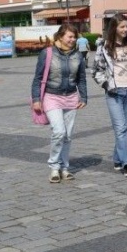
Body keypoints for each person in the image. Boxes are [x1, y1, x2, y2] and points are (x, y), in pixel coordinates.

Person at [31, 23, 87, 183]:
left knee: (68, 136)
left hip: (71, 97)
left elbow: (81, 79)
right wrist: (36, 99)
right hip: (51, 96)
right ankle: (54, 167)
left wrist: (83, 97)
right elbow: (37, 78)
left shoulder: (78, 55)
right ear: (60, 36)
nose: (73, 39)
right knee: (59, 132)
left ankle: (64, 168)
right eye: (70, 36)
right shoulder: (47, 53)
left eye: (74, 37)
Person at [93, 13, 127, 177]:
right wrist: (107, 84)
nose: (125, 29)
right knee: (120, 129)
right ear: (114, 28)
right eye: (122, 26)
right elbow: (97, 71)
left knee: (125, 129)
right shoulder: (104, 46)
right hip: (114, 93)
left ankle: (117, 158)